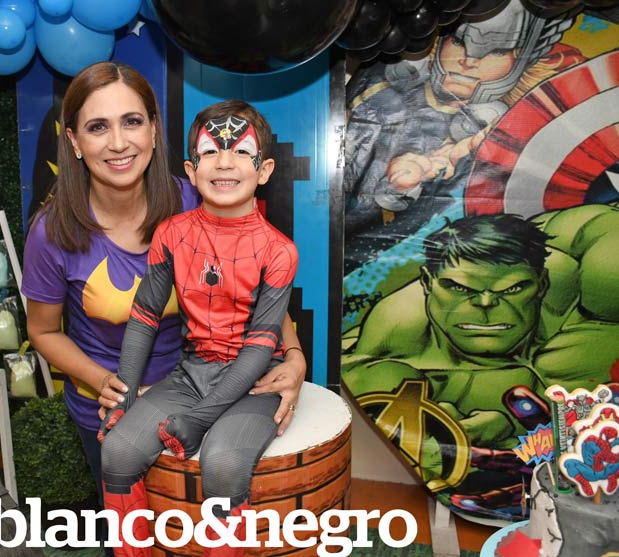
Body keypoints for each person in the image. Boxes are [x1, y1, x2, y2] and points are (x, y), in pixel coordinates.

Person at [21, 64, 306, 548]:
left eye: (132, 121)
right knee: (128, 519)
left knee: (206, 509)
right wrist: (107, 385)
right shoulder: (52, 232)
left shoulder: (198, 196)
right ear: (74, 141)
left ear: (154, 129)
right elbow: (43, 331)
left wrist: (295, 357)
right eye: (97, 126)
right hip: (109, 403)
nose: (118, 143)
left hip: (216, 389)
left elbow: (259, 294)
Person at [98, 100, 297, 557]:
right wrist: (125, 394)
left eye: (241, 152)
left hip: (256, 383)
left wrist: (201, 419)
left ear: (264, 170)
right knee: (118, 452)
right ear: (191, 170)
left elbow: (261, 345)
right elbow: (144, 317)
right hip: (191, 373)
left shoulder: (278, 250)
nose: (224, 162)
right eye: (210, 151)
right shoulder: (171, 234)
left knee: (223, 463)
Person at [342, 205, 619, 516]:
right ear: (428, 283)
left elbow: (603, 230)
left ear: (542, 283)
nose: (486, 304)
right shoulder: (394, 344)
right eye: (459, 288)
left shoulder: (589, 279)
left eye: (513, 288)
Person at [343, 0, 584, 275]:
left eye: (497, 50)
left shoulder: (507, 139)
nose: (469, 61)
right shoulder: (379, 93)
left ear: (526, 54)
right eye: (458, 42)